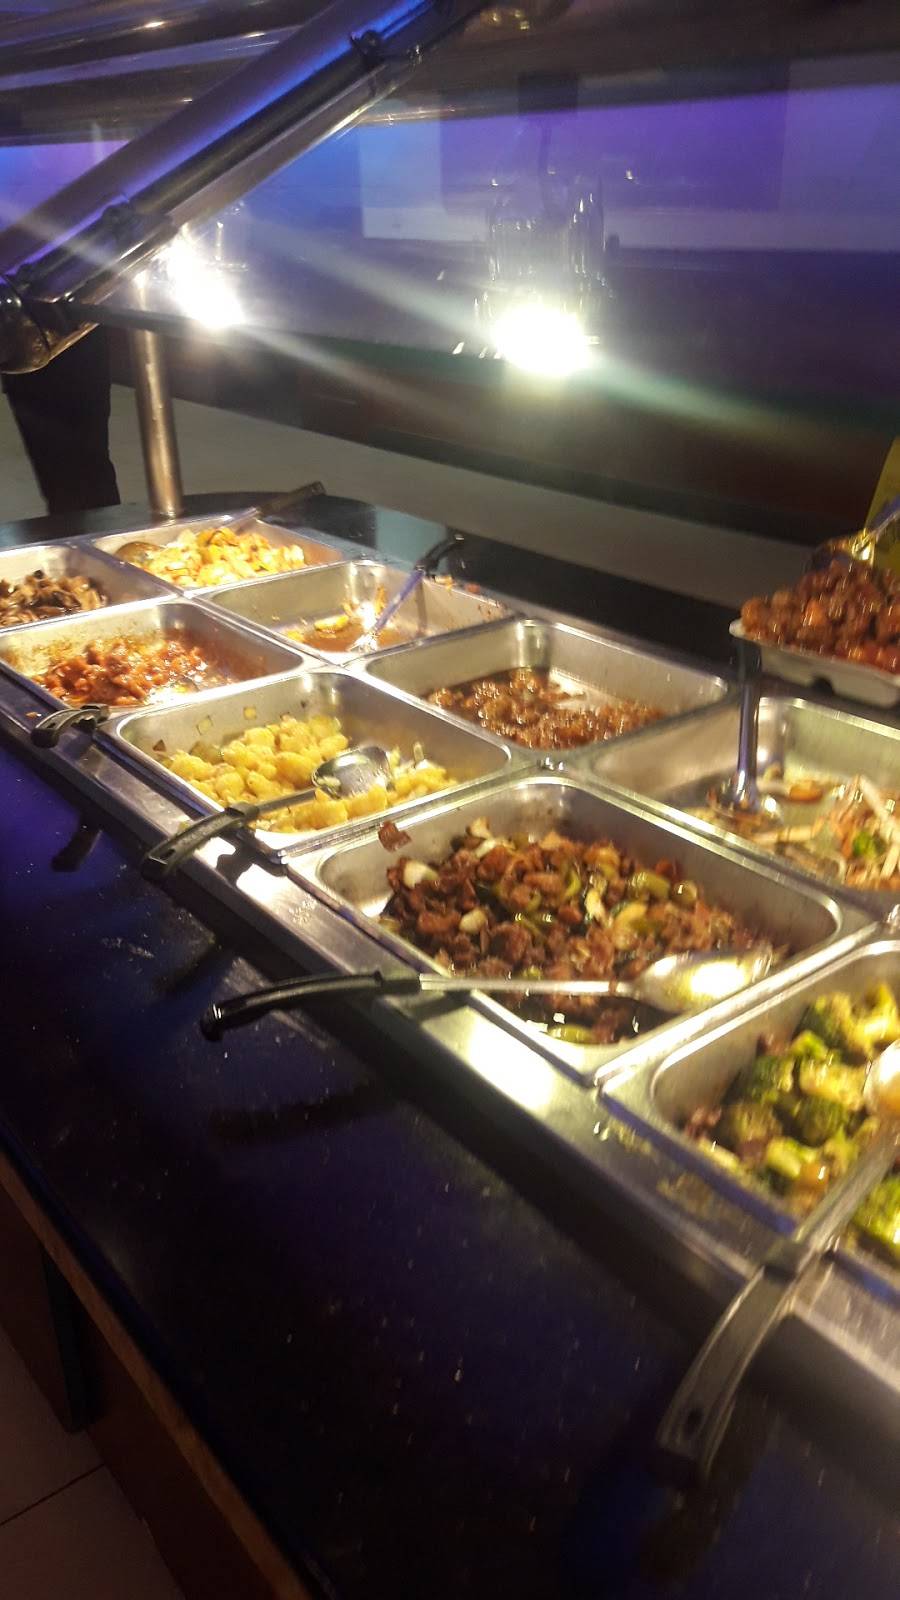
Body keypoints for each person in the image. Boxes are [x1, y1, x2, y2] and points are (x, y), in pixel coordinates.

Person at [2, 328, 119, 515]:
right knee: (74, 469)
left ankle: (86, 522)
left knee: (73, 469)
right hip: (52, 335)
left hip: (50, 335)